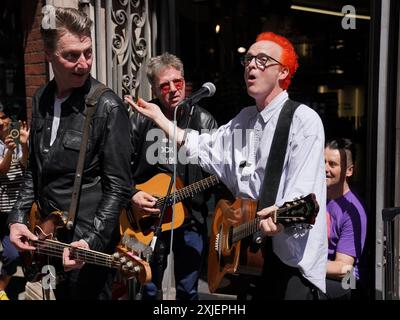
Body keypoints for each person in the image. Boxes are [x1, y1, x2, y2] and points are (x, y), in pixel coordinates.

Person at [125, 31, 327, 300]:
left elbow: (304, 189)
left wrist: (282, 218)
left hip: (289, 262)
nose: (252, 65)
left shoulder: (302, 120)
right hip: (249, 258)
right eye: (249, 60)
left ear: (283, 72)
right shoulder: (243, 120)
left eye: (263, 60)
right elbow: (204, 147)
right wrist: (162, 120)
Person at [7, 7, 132, 300]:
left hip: (86, 253)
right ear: (49, 54)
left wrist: (91, 240)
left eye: (87, 52)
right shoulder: (41, 99)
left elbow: (119, 187)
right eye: (72, 55)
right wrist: (17, 218)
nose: (84, 63)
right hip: (45, 243)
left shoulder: (107, 107)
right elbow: (34, 170)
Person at [129, 52, 218, 300]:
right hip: (146, 221)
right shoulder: (139, 119)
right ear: (155, 90)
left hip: (190, 220)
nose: (172, 90)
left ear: (185, 82)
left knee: (188, 291)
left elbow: (217, 172)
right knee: (147, 288)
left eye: (177, 82)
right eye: (164, 85)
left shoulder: (204, 121)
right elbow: (119, 167)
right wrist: (133, 195)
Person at [325, 138, 367, 299]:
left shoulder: (354, 211)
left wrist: (306, 264)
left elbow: (344, 268)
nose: (325, 168)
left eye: (332, 164)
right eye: (323, 161)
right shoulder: (316, 195)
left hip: (348, 280)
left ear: (349, 171)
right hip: (318, 269)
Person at [0, 102, 29, 300]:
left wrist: (25, 146)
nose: (1, 122)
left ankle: (1, 287)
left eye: (3, 116)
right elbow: (2, 170)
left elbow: (25, 165)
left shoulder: (18, 137)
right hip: (1, 209)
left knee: (14, 254)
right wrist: (9, 151)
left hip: (17, 209)